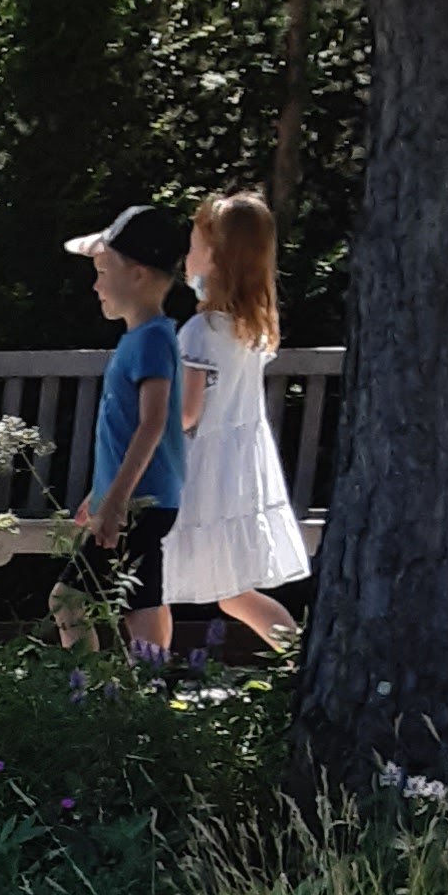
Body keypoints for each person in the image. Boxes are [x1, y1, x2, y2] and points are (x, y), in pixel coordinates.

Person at [165, 189, 311, 655]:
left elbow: (187, 412)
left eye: (194, 247)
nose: (186, 258)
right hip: (238, 473)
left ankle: (143, 680)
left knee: (152, 582)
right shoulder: (251, 329)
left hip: (198, 474)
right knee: (234, 593)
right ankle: (301, 662)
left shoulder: (201, 331)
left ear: (216, 257)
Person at [56, 199, 189, 665]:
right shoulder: (141, 338)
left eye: (102, 271)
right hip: (134, 500)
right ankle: (140, 690)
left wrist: (115, 501)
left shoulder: (152, 339)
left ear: (137, 275)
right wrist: (101, 492)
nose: (95, 285)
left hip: (139, 503)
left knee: (72, 599)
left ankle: (95, 690)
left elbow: (152, 424)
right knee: (138, 602)